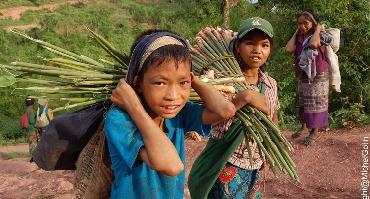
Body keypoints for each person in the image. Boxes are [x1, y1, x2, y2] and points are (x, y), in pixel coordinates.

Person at [103, 30, 237, 198]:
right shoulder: (120, 119)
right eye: (160, 82)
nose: (173, 96)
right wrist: (134, 106)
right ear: (137, 83)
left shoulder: (180, 114)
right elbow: (172, 166)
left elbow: (226, 110)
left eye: (182, 83)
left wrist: (191, 79)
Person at [189, 17, 280, 199]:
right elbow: (212, 121)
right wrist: (243, 98)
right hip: (228, 162)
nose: (257, 50)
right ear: (238, 46)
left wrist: (272, 147)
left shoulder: (271, 84)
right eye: (249, 43)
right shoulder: (222, 81)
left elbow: (273, 115)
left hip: (255, 162)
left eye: (264, 45)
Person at [285, 11, 332, 145]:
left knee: (316, 102)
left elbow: (314, 44)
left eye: (305, 23)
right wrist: (296, 32)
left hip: (318, 73)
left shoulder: (322, 35)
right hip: (303, 72)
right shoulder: (300, 35)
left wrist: (317, 29)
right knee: (304, 101)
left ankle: (315, 132)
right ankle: (304, 127)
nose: (302, 26)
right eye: (299, 23)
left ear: (313, 23)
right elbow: (288, 48)